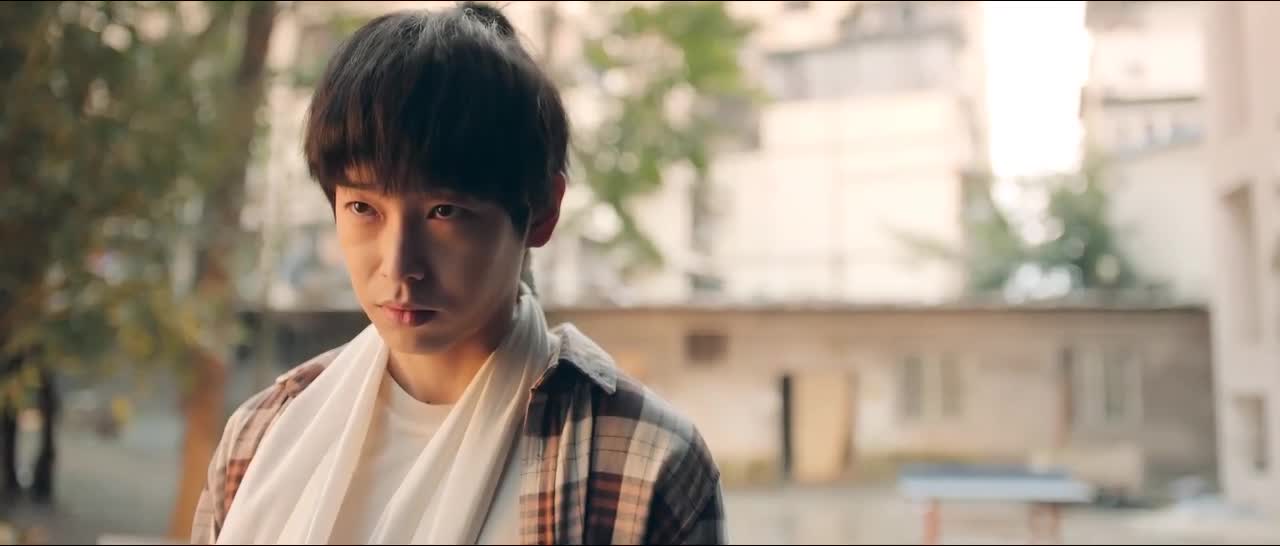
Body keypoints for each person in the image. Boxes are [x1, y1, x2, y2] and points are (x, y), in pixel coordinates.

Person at [191, 3, 725, 544]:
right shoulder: (262, 437)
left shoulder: (640, 463)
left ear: (542, 212)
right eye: (363, 208)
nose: (399, 266)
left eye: (443, 212)